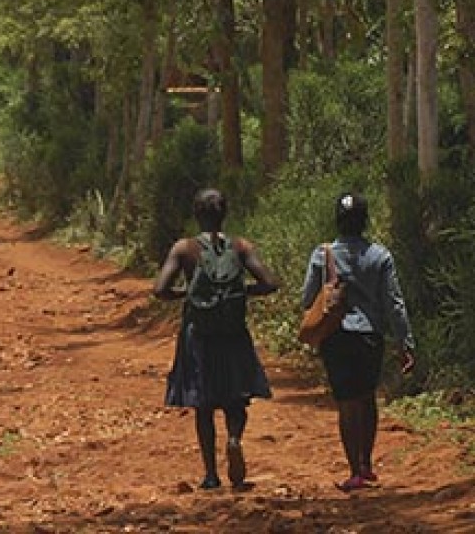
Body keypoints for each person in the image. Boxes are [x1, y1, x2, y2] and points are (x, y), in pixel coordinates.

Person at [154, 188, 279, 490]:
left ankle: (211, 474)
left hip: (199, 335)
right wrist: (239, 293)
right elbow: (270, 283)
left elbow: (160, 289)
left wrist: (189, 295)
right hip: (233, 334)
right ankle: (234, 438)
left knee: (203, 404)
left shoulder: (184, 249)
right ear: (224, 214)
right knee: (236, 398)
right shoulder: (240, 246)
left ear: (197, 215)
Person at [302, 191, 415, 492]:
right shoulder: (381, 256)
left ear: (337, 221)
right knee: (367, 397)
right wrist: (405, 341)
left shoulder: (321, 254)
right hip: (370, 337)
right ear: (365, 221)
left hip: (336, 337)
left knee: (347, 403)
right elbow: (394, 303)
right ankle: (366, 464)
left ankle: (354, 471)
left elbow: (307, 298)